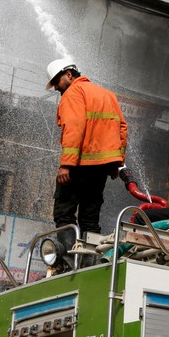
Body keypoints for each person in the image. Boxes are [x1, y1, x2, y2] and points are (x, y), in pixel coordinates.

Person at [46, 58, 127, 237]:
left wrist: (66, 164)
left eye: (56, 82)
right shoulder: (108, 95)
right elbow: (122, 128)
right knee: (90, 219)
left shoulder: (73, 93)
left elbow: (74, 127)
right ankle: (89, 262)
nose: (56, 88)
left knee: (64, 213)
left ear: (68, 75)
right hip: (100, 169)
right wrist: (116, 163)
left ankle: (66, 262)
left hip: (79, 164)